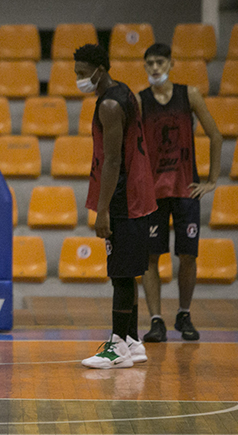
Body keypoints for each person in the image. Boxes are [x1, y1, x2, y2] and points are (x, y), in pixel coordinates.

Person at [73, 44, 157, 369]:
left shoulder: (108, 104)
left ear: (99, 69)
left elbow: (112, 160)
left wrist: (103, 209)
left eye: (83, 73)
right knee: (128, 272)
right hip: (137, 192)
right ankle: (133, 341)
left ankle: (117, 346)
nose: (80, 79)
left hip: (122, 198)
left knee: (120, 274)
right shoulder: (125, 92)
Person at [138, 43, 222, 342]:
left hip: (186, 189)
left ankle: (184, 314)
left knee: (188, 255)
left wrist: (211, 180)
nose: (155, 68)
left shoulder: (190, 95)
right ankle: (156, 320)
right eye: (149, 63)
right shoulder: (140, 101)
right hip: (153, 193)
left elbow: (216, 135)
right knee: (150, 257)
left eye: (160, 62)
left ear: (171, 63)